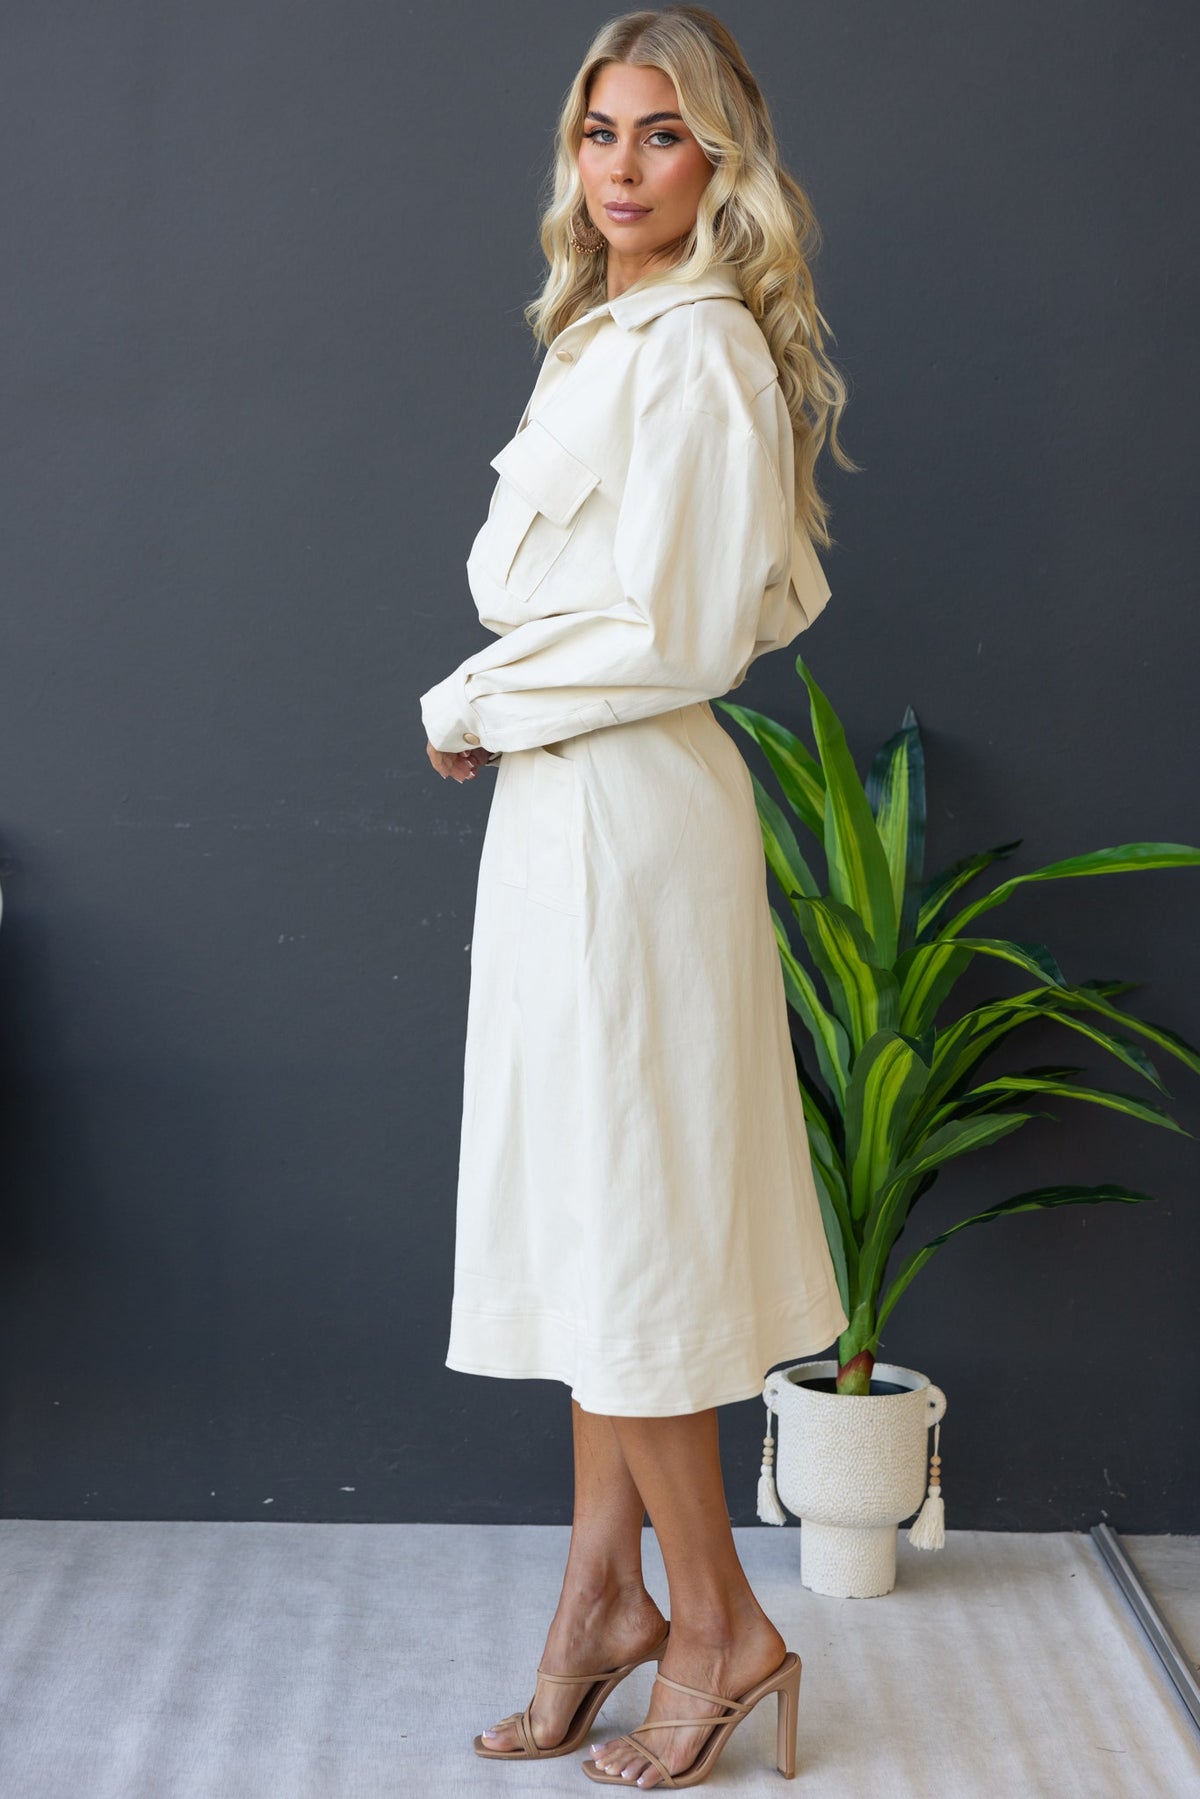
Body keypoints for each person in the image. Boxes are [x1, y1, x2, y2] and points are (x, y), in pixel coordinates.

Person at [419, 7, 858, 1787]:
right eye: (598, 133)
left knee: (640, 1237)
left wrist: (474, 699)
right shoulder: (602, 335)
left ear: (720, 161)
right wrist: (509, 715)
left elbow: (681, 638)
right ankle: (608, 1594)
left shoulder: (696, 355)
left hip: (627, 817)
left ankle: (724, 1622)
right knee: (604, 1220)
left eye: (661, 137)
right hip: (572, 813)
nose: (619, 168)